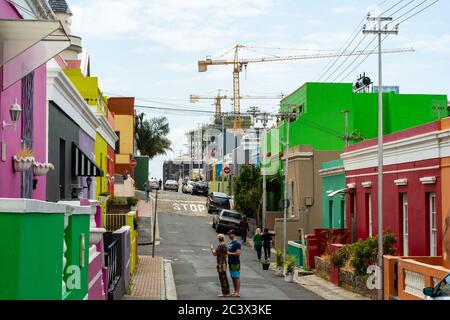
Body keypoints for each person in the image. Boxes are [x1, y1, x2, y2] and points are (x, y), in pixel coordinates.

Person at [226, 230, 241, 297]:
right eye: (228, 234)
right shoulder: (230, 243)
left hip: (235, 262)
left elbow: (238, 253)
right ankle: (235, 291)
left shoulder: (237, 243)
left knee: (236, 277)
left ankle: (237, 292)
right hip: (230, 262)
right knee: (233, 277)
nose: (229, 236)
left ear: (233, 234)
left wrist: (229, 253)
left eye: (230, 234)